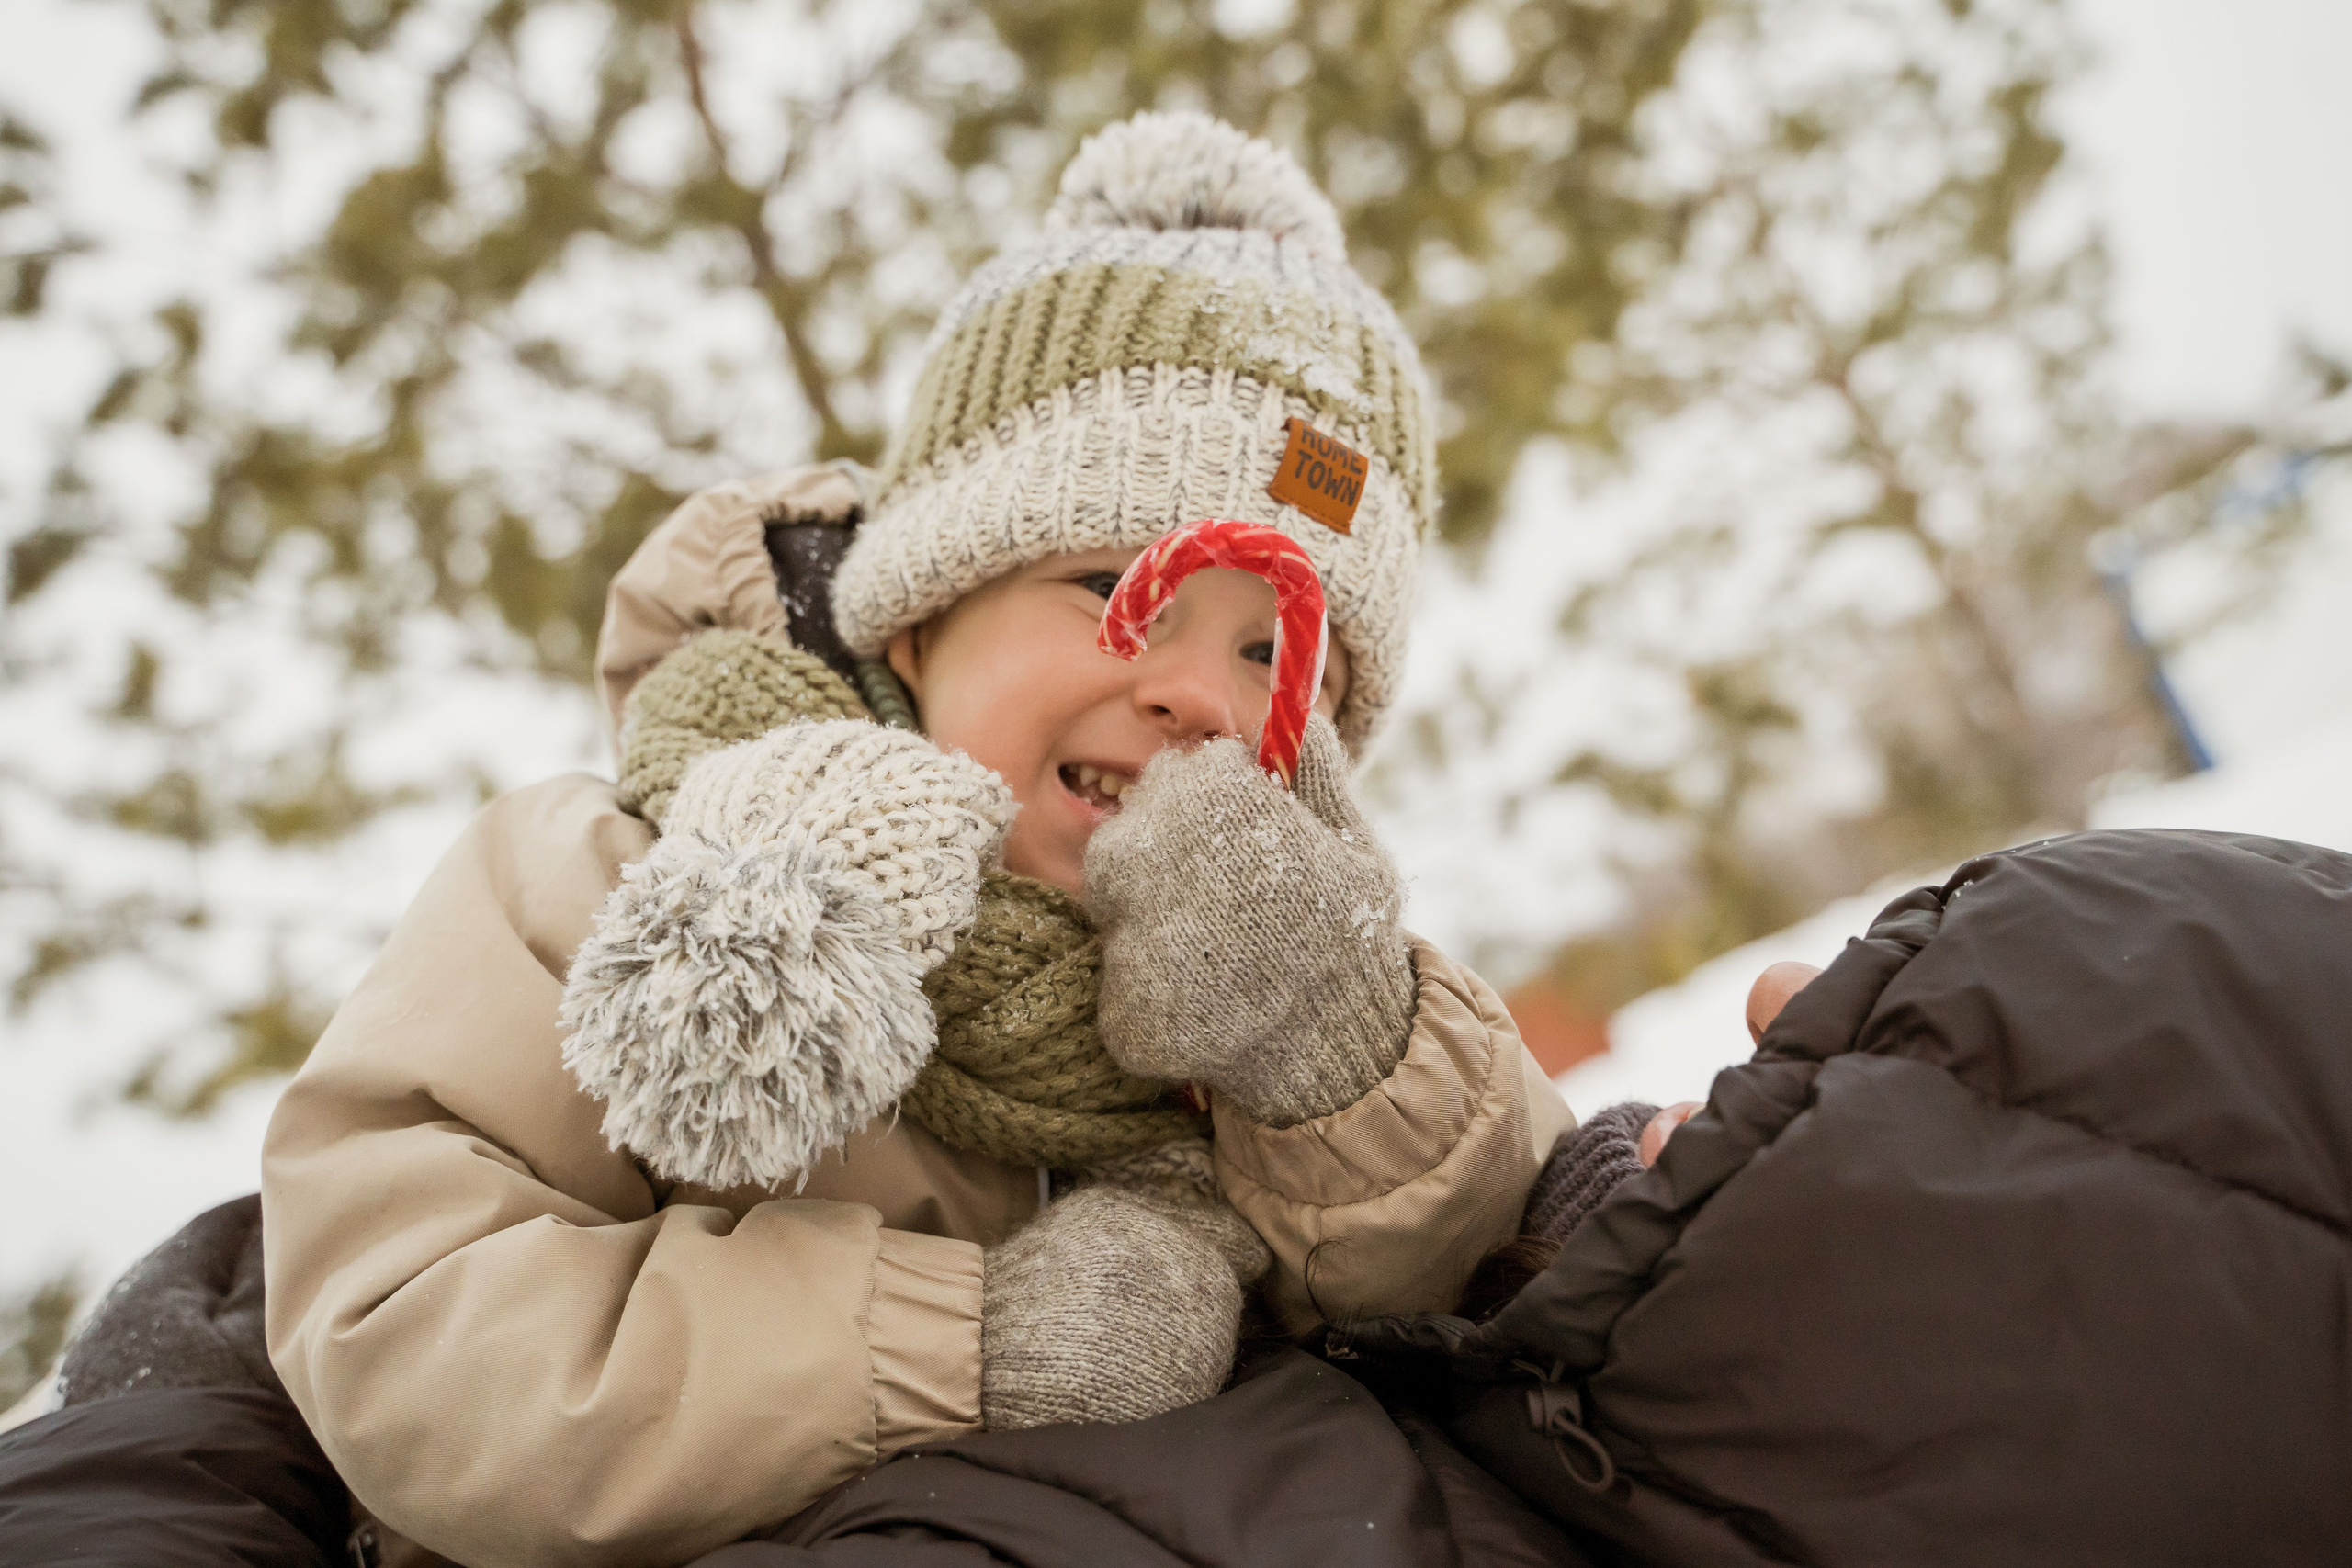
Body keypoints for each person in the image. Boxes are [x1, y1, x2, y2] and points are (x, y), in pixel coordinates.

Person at [259, 112, 1577, 1568]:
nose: (1200, 693)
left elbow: (1498, 1302)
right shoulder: (603, 878)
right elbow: (401, 1328)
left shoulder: (1309, 998)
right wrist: (964, 1345)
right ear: (922, 607)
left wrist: (1345, 1073)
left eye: (1281, 656)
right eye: (1109, 585)